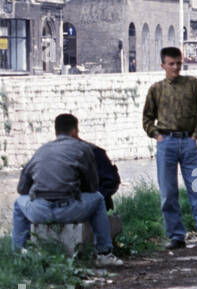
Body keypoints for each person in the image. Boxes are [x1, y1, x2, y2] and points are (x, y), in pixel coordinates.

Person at [11, 113, 118, 266]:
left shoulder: (41, 150)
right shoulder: (83, 149)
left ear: (56, 131)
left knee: (18, 203)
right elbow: (92, 186)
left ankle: (18, 255)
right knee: (98, 198)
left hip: (40, 211)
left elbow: (22, 189)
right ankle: (104, 253)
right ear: (74, 131)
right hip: (68, 210)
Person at [142, 46, 197, 250]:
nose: (176, 67)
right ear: (163, 65)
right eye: (171, 64)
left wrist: (196, 135)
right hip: (166, 143)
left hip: (188, 143)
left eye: (178, 63)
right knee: (168, 192)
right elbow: (147, 118)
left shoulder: (192, 83)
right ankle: (176, 235)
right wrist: (156, 135)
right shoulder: (156, 89)